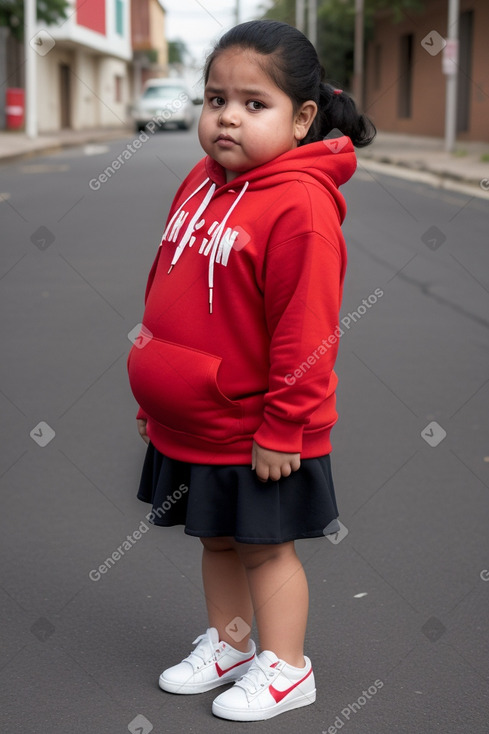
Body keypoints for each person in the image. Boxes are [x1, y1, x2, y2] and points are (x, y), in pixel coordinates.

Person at [127, 18, 375, 722]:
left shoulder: (298, 206)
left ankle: (287, 668)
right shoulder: (201, 180)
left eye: (252, 104)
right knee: (216, 539)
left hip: (259, 427)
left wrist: (284, 426)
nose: (227, 117)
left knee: (266, 551)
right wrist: (155, 391)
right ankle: (233, 647)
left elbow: (307, 333)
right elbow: (165, 286)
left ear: (301, 118)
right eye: (214, 100)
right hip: (195, 417)